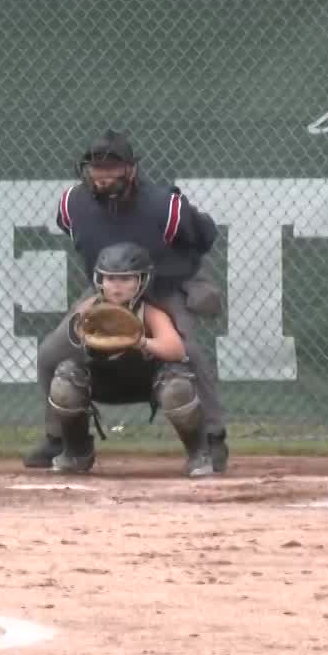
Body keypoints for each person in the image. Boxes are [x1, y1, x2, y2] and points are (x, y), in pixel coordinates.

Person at [26, 130, 229, 476]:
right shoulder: (72, 203)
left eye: (112, 168)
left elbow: (205, 234)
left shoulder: (164, 206)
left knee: (187, 352)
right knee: (50, 355)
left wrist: (181, 275)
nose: (103, 175)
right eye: (96, 168)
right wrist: (108, 288)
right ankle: (60, 438)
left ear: (131, 170)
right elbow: (74, 232)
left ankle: (212, 437)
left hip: (162, 286)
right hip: (106, 291)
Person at [40, 243, 206, 475]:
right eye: (110, 279)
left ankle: (198, 453)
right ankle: (77, 452)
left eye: (126, 279)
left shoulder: (149, 311)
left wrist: (140, 342)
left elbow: (177, 350)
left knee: (177, 384)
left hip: (147, 382)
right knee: (66, 378)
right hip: (103, 382)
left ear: (142, 280)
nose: (116, 286)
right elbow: (66, 344)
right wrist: (83, 331)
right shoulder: (89, 309)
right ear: (100, 280)